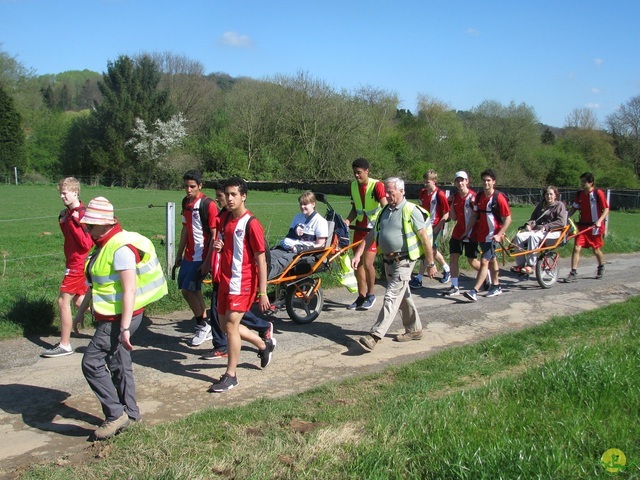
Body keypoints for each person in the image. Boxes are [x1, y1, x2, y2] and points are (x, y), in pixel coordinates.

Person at [73, 197, 168, 439]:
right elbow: (96, 284)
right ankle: (133, 417)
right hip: (116, 317)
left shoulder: (120, 249)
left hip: (120, 319)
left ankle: (115, 415)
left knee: (91, 362)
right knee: (119, 364)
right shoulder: (106, 244)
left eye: (90, 226)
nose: (87, 229)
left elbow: (129, 290)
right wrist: (81, 311)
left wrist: (124, 328)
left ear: (104, 224)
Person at [207, 177, 276, 393]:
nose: (229, 198)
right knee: (224, 323)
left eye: (233, 194)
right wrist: (219, 245)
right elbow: (226, 242)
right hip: (225, 280)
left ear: (243, 196)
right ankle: (264, 344)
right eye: (227, 194)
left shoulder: (251, 224)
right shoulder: (224, 217)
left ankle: (231, 375)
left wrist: (263, 292)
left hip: (243, 281)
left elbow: (261, 260)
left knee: (230, 326)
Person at [353, 177, 437, 352]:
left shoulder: (410, 210)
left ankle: (375, 335)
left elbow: (425, 239)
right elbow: (371, 235)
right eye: (387, 193)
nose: (388, 196)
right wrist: (359, 253)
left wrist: (430, 263)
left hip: (404, 262)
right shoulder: (384, 211)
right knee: (402, 297)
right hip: (389, 262)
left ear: (402, 191)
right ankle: (414, 330)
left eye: (391, 192)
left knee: (391, 297)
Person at [42, 177, 94, 358]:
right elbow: (69, 238)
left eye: (65, 193)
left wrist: (73, 221)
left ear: (75, 192)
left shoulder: (81, 214)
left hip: (78, 264)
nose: (62, 197)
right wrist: (64, 221)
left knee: (62, 301)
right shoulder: (68, 214)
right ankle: (115, 323)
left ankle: (65, 344)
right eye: (61, 193)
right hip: (72, 262)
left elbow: (86, 243)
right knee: (80, 302)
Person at [174, 170, 218, 347]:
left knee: (187, 290)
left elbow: (215, 235)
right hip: (189, 255)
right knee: (192, 289)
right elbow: (185, 229)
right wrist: (179, 254)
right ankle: (205, 324)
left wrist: (208, 261)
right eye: (186, 186)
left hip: (202, 255)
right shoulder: (186, 203)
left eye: (192, 186)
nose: (188, 189)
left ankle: (201, 325)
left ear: (200, 186)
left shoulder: (208, 204)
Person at [344, 158, 387, 310]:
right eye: (354, 173)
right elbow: (355, 209)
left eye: (359, 173)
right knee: (357, 264)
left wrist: (379, 225)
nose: (356, 176)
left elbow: (385, 207)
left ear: (367, 171)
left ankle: (371, 294)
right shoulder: (353, 186)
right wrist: (347, 221)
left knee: (368, 263)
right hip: (359, 229)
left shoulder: (377, 185)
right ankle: (361, 296)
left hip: (372, 230)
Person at [463, 169, 512, 302]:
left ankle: (475, 290)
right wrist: (467, 231)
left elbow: (508, 218)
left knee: (484, 261)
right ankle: (496, 286)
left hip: (493, 235)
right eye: (484, 180)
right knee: (492, 260)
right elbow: (474, 215)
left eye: (489, 180)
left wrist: (499, 234)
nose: (486, 183)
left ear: (493, 182)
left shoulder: (498, 198)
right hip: (482, 234)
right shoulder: (479, 197)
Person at [269, 191, 329, 279]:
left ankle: (263, 279)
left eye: (305, 204)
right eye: (301, 204)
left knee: (283, 260)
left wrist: (301, 248)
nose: (302, 207)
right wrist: (295, 232)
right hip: (289, 247)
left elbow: (321, 245)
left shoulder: (320, 221)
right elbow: (290, 236)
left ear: (313, 204)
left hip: (303, 253)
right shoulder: (298, 217)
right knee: (269, 255)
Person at [442, 171, 481, 296]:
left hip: (471, 233)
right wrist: (451, 203)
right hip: (458, 232)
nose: (460, 183)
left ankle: (487, 275)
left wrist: (467, 232)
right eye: (457, 181)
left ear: (467, 181)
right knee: (453, 258)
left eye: (462, 180)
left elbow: (475, 216)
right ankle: (454, 286)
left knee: (472, 261)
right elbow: (453, 218)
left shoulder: (474, 197)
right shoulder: (456, 197)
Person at [565, 172, 609, 282]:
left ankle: (601, 266)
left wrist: (599, 221)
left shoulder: (598, 193)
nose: (582, 184)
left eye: (584, 182)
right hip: (582, 227)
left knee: (596, 249)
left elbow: (606, 209)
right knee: (576, 248)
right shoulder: (580, 194)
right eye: (582, 181)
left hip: (595, 227)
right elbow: (574, 208)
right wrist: (565, 218)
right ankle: (573, 273)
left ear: (591, 183)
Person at [410, 169, 451, 288]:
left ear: (434, 182)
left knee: (426, 250)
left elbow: (446, 213)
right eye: (424, 182)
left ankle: (419, 278)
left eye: (427, 182)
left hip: (435, 226)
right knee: (431, 250)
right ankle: (446, 268)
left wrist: (438, 227)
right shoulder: (423, 192)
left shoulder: (440, 195)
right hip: (424, 226)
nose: (425, 184)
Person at [512, 186, 567, 274]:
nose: (549, 196)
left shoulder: (559, 205)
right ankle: (520, 264)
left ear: (555, 195)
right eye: (547, 194)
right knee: (518, 237)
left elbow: (561, 222)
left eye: (551, 194)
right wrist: (528, 225)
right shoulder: (541, 205)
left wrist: (547, 226)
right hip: (538, 231)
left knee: (533, 237)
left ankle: (531, 265)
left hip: (553, 232)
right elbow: (533, 218)